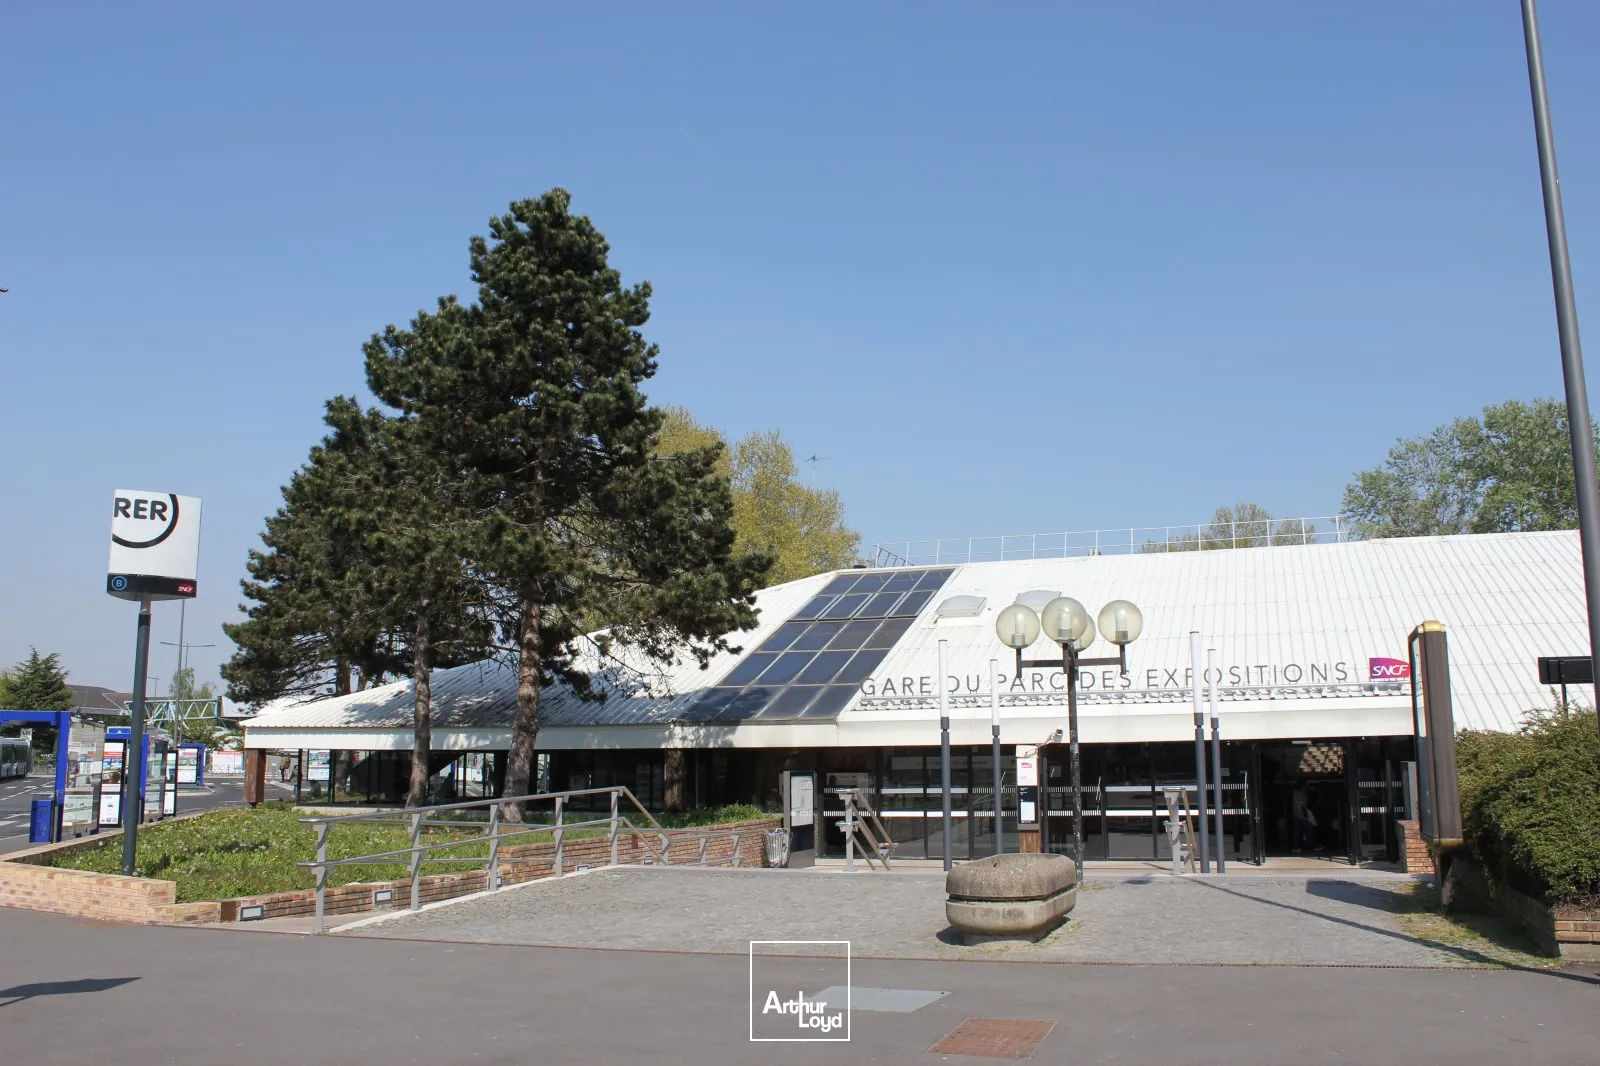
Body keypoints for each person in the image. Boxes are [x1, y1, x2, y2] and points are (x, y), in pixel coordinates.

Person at [1290, 785, 1319, 853]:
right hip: (1302, 817)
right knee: (1305, 832)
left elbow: (1299, 806)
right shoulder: (1301, 796)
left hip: (1300, 816)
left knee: (1299, 832)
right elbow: (1300, 806)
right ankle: (1314, 846)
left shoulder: (1297, 795)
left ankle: (1296, 847)